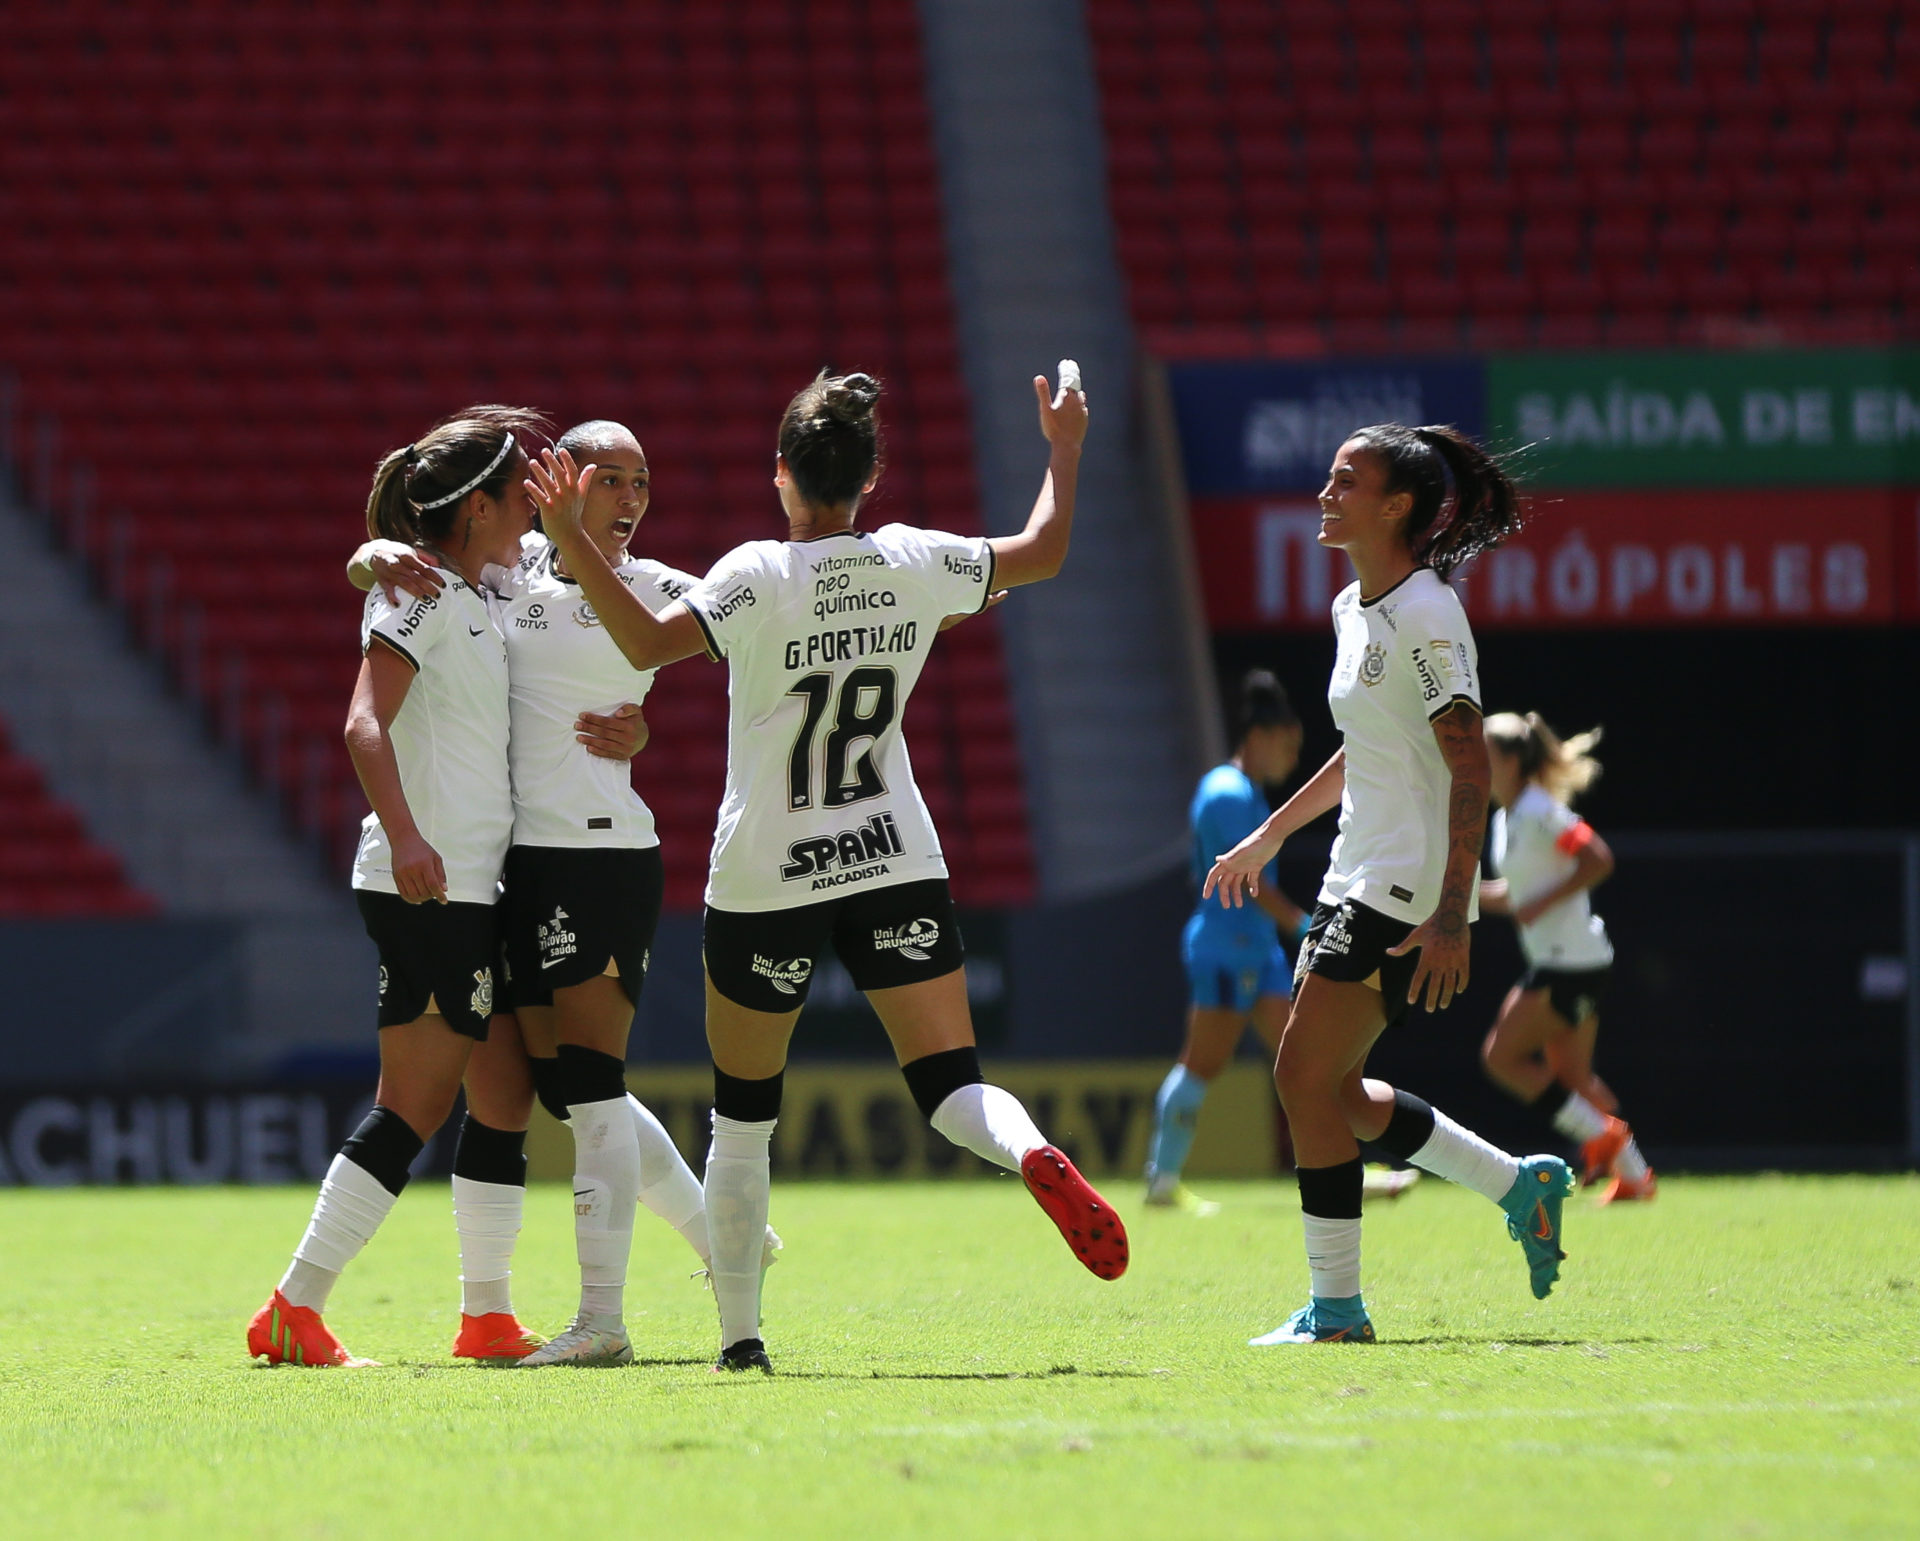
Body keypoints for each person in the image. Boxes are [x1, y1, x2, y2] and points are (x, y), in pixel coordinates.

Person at [526, 365, 1128, 1375]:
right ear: (870, 478)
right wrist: (1063, 447)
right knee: (949, 1084)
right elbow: (1048, 551)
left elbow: (639, 635)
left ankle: (742, 1339)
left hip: (768, 864)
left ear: (781, 476)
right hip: (892, 850)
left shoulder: (756, 572)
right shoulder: (913, 558)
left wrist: (571, 534)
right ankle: (1031, 1151)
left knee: (743, 1114)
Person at [350, 419, 780, 1368]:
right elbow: (428, 565)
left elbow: (698, 643)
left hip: (598, 857)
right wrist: (370, 551)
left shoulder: (663, 588)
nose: (631, 497)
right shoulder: (516, 572)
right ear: (558, 481)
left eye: (644, 480)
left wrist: (647, 736)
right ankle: (720, 1238)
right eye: (611, 478)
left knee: (588, 1084)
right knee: (554, 1086)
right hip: (512, 868)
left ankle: (609, 1316)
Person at [1205, 422, 1571, 1347]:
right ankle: (1516, 1185)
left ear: (1396, 505)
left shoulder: (1429, 614)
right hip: (1352, 872)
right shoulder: (1350, 608)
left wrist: (1454, 912)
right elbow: (1361, 751)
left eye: (1345, 480)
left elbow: (1471, 766)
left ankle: (1337, 1311)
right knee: (1340, 1092)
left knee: (1299, 1077)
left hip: (1403, 890)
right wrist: (1270, 831)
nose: (1326, 493)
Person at [249, 405, 549, 1368]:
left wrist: (369, 549)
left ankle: (488, 1315)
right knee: (415, 1104)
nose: (530, 514)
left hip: (473, 884)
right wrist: (411, 836)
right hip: (430, 880)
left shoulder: (474, 583)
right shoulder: (415, 595)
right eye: (517, 499)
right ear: (476, 511)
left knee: (503, 1092)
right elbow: (362, 725)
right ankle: (295, 1306)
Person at [1145, 669, 1309, 1214]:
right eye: (1287, 745)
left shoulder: (1249, 793)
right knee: (1201, 1066)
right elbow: (1250, 880)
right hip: (1225, 947)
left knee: (1303, 1059)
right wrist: (1302, 924)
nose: (1292, 759)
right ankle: (1161, 1183)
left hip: (1258, 950)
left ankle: (1341, 1169)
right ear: (1260, 736)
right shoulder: (1227, 793)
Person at [1479, 712, 1653, 1204]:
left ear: (1513, 760)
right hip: (1570, 959)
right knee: (1574, 1080)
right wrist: (1460, 900)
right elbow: (1515, 896)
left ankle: (1602, 1136)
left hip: (1568, 961)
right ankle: (1636, 1181)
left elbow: (1597, 857)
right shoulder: (1505, 818)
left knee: (1501, 1057)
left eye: (1483, 754)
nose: (1471, 763)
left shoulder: (1539, 810)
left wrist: (1540, 901)